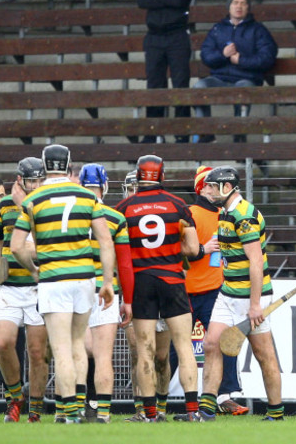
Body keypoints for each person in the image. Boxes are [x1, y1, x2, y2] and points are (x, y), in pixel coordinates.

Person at [10, 144, 116, 424]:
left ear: (44, 167)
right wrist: (106, 281)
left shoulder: (34, 199)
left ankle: (68, 412)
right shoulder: (86, 196)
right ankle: (78, 407)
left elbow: (17, 247)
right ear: (70, 166)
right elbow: (105, 241)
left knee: (60, 349)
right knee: (78, 344)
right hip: (84, 278)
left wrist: (33, 269)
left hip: (53, 279)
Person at [115, 155, 201, 421]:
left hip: (141, 282)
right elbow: (194, 248)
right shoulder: (178, 205)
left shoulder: (124, 208)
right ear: (162, 176)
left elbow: (121, 254)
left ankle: (149, 413)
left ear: (138, 177)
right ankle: (192, 411)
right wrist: (174, 251)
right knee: (184, 345)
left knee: (145, 350)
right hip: (172, 279)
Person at [195, 166, 283, 421]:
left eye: (211, 186)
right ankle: (207, 410)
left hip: (249, 298)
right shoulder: (225, 212)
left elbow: (255, 261)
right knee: (211, 344)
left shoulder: (244, 216)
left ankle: (276, 413)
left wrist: (255, 305)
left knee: (263, 353)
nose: (206, 190)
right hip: (228, 294)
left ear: (225, 187)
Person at [170, 166, 248, 416]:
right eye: (210, 184)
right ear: (201, 187)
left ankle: (224, 396)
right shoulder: (189, 213)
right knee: (174, 348)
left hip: (215, 290)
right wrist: (201, 248)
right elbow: (174, 249)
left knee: (224, 343)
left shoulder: (229, 214)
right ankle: (157, 401)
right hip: (187, 291)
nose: (215, 188)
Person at [0, 158, 48, 423]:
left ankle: (34, 409)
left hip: (39, 287)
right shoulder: (5, 205)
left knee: (37, 352)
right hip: (9, 287)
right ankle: (14, 397)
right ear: (20, 179)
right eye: (31, 180)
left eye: (39, 180)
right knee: (3, 343)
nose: (35, 185)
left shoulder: (49, 203)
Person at [78, 163, 135, 424]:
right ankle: (103, 413)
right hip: (106, 290)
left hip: (74, 287)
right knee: (103, 357)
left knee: (77, 351)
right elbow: (124, 264)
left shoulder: (68, 214)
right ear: (105, 185)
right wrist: (129, 300)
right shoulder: (115, 217)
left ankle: (75, 409)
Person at [117, 169, 173, 423]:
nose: (133, 194)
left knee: (161, 356)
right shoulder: (121, 215)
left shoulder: (165, 212)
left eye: (135, 188)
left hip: (162, 289)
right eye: (130, 189)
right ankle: (142, 408)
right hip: (136, 291)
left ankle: (161, 406)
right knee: (138, 353)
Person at [193, 0, 278, 144]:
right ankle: (205, 133)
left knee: (243, 91)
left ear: (248, 8)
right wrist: (223, 54)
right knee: (199, 87)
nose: (239, 6)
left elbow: (267, 58)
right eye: (235, 3)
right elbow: (206, 55)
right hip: (219, 78)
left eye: (243, 3)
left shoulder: (258, 30)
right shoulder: (217, 29)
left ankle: (239, 137)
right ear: (229, 7)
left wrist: (241, 60)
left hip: (246, 78)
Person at [137, 0, 195, 144]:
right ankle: (152, 132)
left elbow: (180, 0)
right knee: (154, 85)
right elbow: (141, 1)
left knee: (180, 83)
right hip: (154, 36)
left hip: (178, 35)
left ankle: (182, 132)